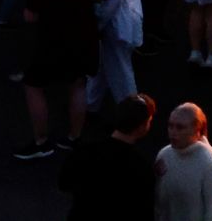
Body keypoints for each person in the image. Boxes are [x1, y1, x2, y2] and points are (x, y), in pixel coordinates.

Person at [15, 0, 107, 160]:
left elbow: (29, 16)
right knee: (77, 85)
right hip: (83, 40)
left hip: (53, 43)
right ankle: (74, 137)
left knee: (33, 85)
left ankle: (41, 140)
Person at [60, 92, 156, 221]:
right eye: (149, 121)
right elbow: (144, 211)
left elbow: (63, 183)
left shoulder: (85, 151)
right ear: (141, 127)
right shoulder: (141, 167)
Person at [155, 101, 212, 221]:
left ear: (197, 130)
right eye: (170, 126)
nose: (173, 132)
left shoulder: (210, 163)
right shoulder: (164, 155)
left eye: (180, 127)